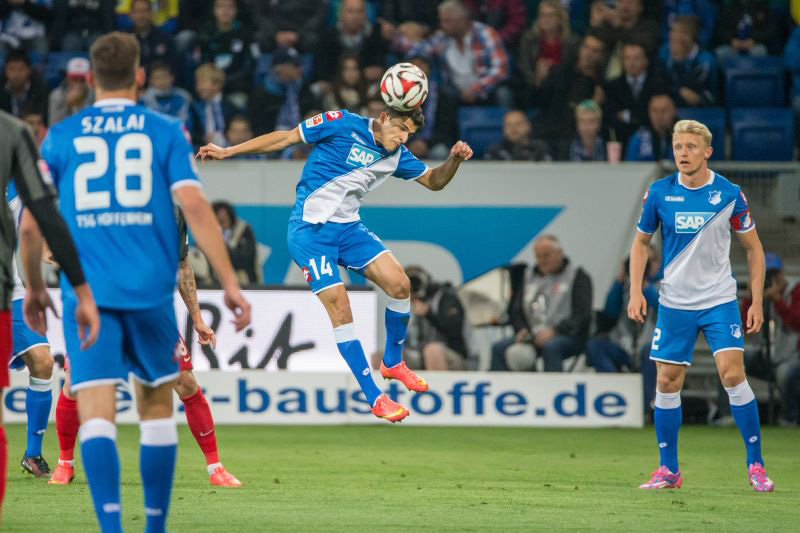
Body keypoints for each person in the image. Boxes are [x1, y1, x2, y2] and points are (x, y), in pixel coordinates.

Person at [40, 32, 250, 531]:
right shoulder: (165, 130)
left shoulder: (61, 136)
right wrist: (231, 283)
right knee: (156, 406)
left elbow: (36, 222)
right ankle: (151, 524)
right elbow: (196, 207)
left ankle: (110, 523)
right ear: (139, 78)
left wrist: (33, 280)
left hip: (87, 295)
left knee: (92, 403)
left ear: (89, 80)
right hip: (147, 294)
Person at [197, 105, 474, 423]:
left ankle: (393, 363)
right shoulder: (340, 123)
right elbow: (286, 138)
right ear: (383, 118)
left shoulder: (396, 155)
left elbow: (434, 181)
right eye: (399, 128)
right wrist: (228, 150)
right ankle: (375, 397)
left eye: (408, 133)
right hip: (309, 233)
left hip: (349, 230)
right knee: (341, 308)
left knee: (401, 284)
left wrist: (453, 159)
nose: (402, 137)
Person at [49, 209, 242, 488]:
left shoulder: (171, 208)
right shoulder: (99, 198)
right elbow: (57, 250)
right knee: (74, 383)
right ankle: (64, 464)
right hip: (100, 305)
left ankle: (216, 467)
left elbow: (182, 265)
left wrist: (197, 319)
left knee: (186, 383)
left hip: (149, 309)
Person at [630, 119, 773, 492]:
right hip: (675, 301)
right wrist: (635, 290)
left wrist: (756, 301)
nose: (683, 154)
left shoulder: (728, 193)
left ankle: (755, 465)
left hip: (718, 300)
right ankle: (668, 469)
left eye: (691, 147)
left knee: (731, 374)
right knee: (666, 380)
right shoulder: (659, 192)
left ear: (707, 151)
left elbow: (754, 249)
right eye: (678, 147)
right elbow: (641, 243)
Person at [0, 107, 99, 520]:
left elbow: (31, 229)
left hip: (13, 289)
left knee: (43, 364)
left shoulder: (21, 178)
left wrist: (49, 257)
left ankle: (32, 454)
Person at [490, 235, 593, 372]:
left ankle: (553, 390)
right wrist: (522, 329)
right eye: (538, 256)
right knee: (499, 348)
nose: (542, 261)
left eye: (546, 256)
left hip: (566, 335)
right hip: (533, 334)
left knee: (551, 347)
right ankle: (508, 389)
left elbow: (582, 315)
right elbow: (516, 309)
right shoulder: (528, 275)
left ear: (559, 253)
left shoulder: (577, 276)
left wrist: (555, 331)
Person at [536, 32, 605, 142]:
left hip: (579, 138)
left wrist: (595, 105)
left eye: (595, 51)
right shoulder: (560, 72)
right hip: (551, 133)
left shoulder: (601, 85)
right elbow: (539, 101)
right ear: (580, 49)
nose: (589, 53)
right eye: (586, 47)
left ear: (601, 56)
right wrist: (539, 81)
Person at [402, 265, 471, 370]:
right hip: (419, 353)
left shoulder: (446, 297)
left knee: (433, 350)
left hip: (454, 356)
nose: (413, 289)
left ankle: (438, 386)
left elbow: (454, 331)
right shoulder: (410, 304)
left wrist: (428, 313)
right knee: (384, 356)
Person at [604, 40, 668, 148]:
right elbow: (611, 116)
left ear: (646, 60)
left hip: (653, 141)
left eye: (636, 58)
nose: (631, 63)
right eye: (627, 58)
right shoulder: (612, 86)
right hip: (621, 140)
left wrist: (628, 115)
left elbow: (659, 115)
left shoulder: (658, 84)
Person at [315, 0, 389, 84]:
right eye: (350, 11)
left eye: (359, 11)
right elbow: (322, 73)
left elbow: (378, 68)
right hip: (335, 87)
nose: (355, 16)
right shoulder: (327, 39)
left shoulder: (375, 37)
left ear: (365, 14)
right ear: (340, 13)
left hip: (367, 87)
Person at [517, 0, 580, 97]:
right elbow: (524, 68)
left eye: (550, 16)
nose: (545, 19)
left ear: (560, 18)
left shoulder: (572, 41)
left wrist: (551, 71)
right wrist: (537, 78)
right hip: (534, 88)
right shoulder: (529, 38)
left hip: (563, 88)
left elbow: (571, 71)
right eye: (542, 15)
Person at [196, 0, 256, 100]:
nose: (225, 11)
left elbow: (249, 66)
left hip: (236, 88)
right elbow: (202, 62)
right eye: (221, 7)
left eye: (230, 7)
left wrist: (225, 81)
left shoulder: (245, 33)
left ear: (236, 10)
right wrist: (212, 81)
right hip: (210, 87)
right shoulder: (206, 33)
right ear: (214, 10)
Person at [659, 16, 717, 108]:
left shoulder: (705, 60)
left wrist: (678, 60)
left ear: (691, 36)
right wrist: (679, 90)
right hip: (669, 102)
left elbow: (695, 89)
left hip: (702, 106)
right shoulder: (664, 51)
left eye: (679, 32)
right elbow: (660, 81)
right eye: (673, 30)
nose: (672, 35)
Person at [187, 63, 241, 147]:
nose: (199, 87)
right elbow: (191, 133)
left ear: (217, 84)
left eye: (203, 82)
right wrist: (203, 138)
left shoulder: (231, 107)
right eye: (198, 83)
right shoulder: (194, 107)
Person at [213, 201, 259, 285]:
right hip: (214, 282)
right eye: (218, 220)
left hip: (244, 282)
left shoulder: (243, 231)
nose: (221, 222)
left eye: (224, 219)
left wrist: (222, 243)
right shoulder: (209, 235)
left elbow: (244, 261)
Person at [126, 0, 179, 73]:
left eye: (145, 11)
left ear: (152, 14)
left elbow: (173, 66)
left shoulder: (164, 37)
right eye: (138, 11)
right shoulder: (125, 40)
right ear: (130, 15)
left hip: (160, 81)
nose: (142, 15)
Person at [484, 109, 552, 161]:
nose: (513, 128)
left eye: (518, 124)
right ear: (503, 129)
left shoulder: (540, 148)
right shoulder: (495, 150)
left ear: (528, 126)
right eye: (509, 125)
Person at [625, 93, 676, 161]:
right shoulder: (638, 138)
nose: (659, 115)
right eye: (655, 111)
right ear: (649, 113)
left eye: (664, 110)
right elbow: (630, 166)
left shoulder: (685, 137)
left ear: (674, 112)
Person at [0, 48, 48, 119]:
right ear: (5, 70)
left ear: (29, 70)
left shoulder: (40, 90)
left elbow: (42, 118)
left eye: (21, 69)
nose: (16, 74)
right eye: (11, 69)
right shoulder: (1, 88)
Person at [48, 57, 94, 126]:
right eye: (74, 79)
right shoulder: (57, 95)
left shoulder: (94, 94)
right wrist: (67, 104)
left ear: (89, 78)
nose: (78, 84)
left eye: (82, 80)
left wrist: (81, 106)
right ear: (67, 78)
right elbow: (54, 126)